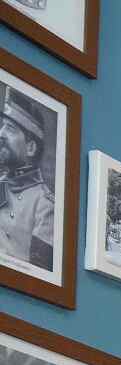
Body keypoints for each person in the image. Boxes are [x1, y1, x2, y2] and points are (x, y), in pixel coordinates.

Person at [0, 88, 55, 273]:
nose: (1, 134)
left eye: (10, 128)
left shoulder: (45, 205)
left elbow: (38, 277)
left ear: (30, 148)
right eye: (2, 126)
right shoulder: (2, 183)